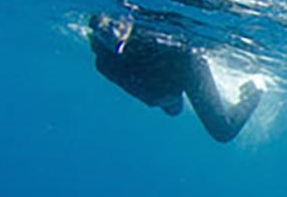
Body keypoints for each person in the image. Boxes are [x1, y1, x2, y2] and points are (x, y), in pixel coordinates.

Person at [88, 14, 261, 143]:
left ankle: (257, 90)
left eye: (114, 24)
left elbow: (187, 52)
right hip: (163, 83)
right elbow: (137, 90)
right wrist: (159, 99)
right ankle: (170, 100)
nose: (113, 34)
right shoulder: (105, 63)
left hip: (188, 67)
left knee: (223, 130)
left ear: (125, 19)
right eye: (103, 31)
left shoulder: (145, 30)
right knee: (173, 110)